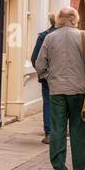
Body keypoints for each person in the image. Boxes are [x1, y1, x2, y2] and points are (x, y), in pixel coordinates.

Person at [36, 6, 85, 170]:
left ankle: (58, 168)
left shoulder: (49, 38)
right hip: (78, 90)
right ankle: (79, 164)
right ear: (74, 19)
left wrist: (49, 77)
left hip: (56, 91)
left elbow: (40, 65)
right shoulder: (81, 36)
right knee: (78, 128)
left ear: (59, 19)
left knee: (57, 129)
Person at [31, 13, 56, 143]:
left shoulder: (44, 36)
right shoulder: (74, 35)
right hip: (66, 78)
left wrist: (44, 74)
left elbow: (35, 59)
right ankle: (61, 130)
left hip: (48, 78)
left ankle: (49, 134)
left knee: (48, 103)